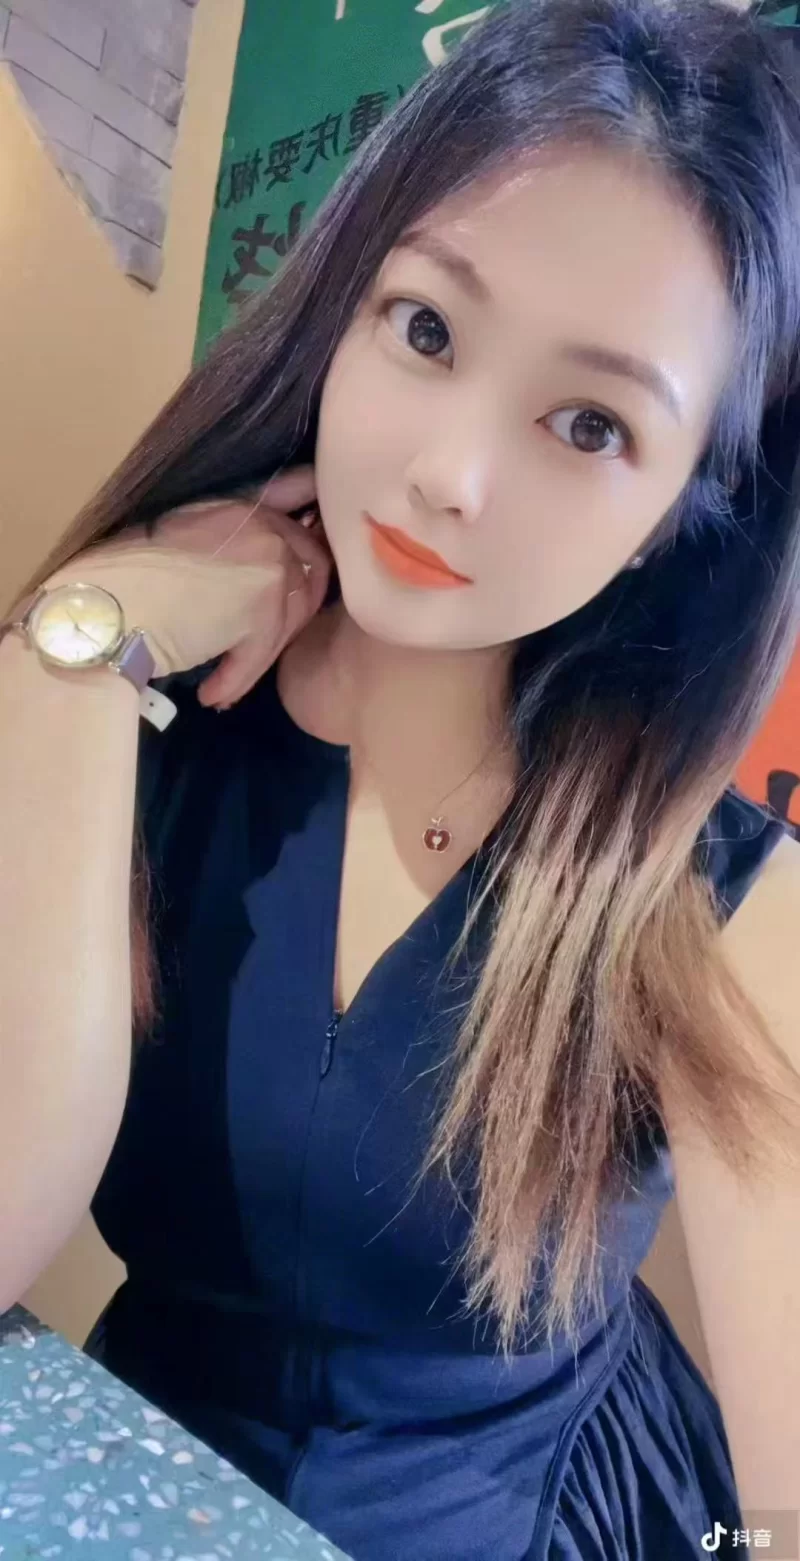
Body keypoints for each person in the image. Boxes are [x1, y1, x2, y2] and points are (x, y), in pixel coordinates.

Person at [2, 1, 800, 1555]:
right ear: (342, 306)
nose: (450, 474)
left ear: (682, 514)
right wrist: (72, 651)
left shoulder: (718, 896)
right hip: (153, 1496)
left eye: (590, 424)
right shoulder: (125, 727)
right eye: (426, 330)